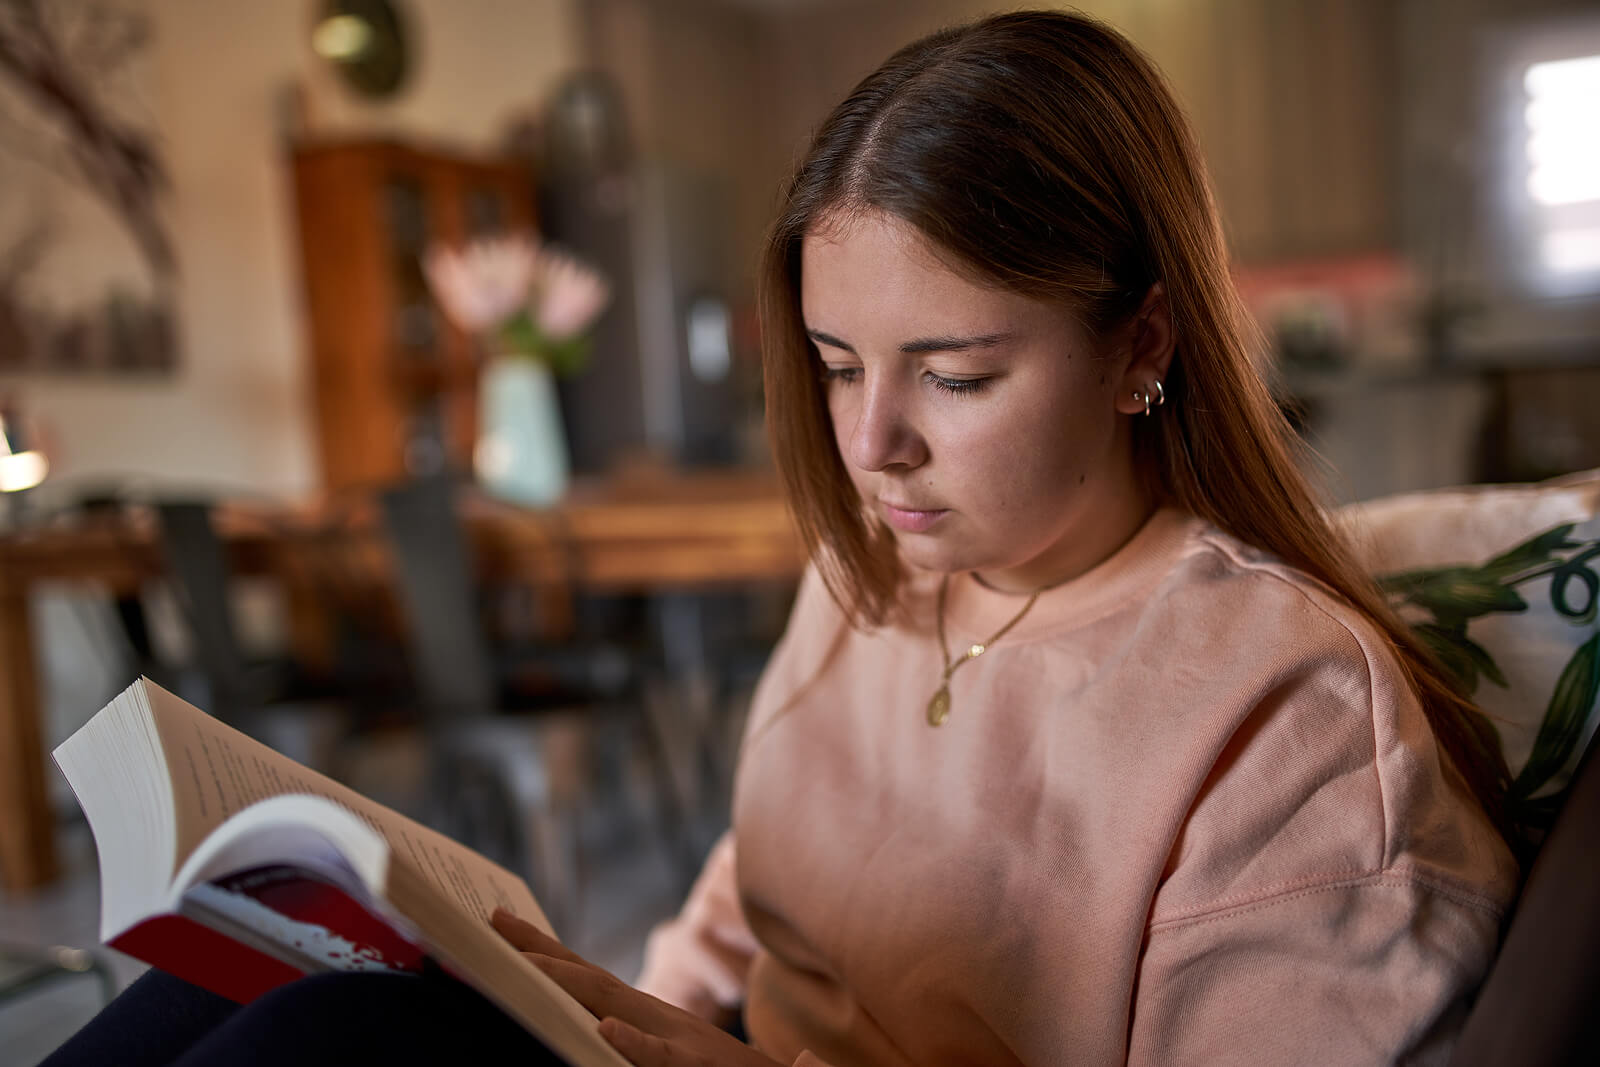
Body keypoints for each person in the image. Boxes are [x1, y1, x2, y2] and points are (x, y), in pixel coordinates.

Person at [43, 10, 1516, 1067]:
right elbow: (759, 890)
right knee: (223, 988)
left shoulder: (1291, 721)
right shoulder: (872, 583)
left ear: (1143, 343)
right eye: (832, 363)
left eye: (956, 373)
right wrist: (603, 1005)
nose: (872, 446)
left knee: (331, 1038)